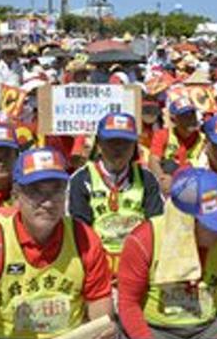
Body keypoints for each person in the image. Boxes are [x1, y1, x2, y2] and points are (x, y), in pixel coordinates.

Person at [0, 148, 117, 339]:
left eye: (56, 191)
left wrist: (103, 326)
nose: (48, 203)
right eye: (36, 192)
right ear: (16, 196)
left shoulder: (84, 238)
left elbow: (99, 299)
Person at [118, 168, 217, 339]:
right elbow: (128, 303)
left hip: (208, 329)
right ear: (186, 220)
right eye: (210, 224)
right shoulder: (143, 240)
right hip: (155, 330)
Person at [69, 113, 163, 272]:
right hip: (96, 265)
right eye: (112, 142)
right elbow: (79, 231)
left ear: (135, 145)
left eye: (125, 143)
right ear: (99, 143)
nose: (118, 149)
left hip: (139, 263)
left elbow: (156, 225)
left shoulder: (147, 179)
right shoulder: (81, 179)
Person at [149, 97, 205, 193]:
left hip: (194, 185)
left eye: (193, 114)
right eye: (185, 116)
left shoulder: (204, 139)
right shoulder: (162, 135)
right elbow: (153, 161)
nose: (191, 119)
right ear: (174, 120)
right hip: (167, 185)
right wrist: (162, 181)